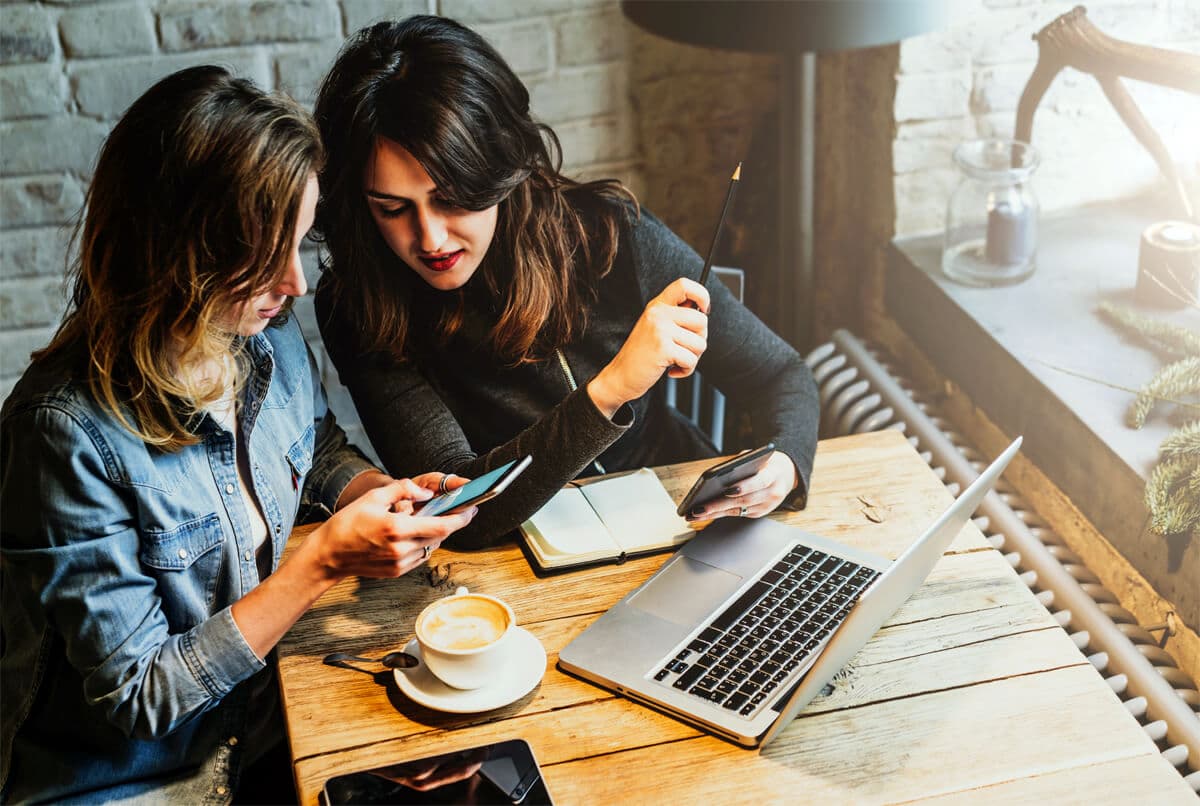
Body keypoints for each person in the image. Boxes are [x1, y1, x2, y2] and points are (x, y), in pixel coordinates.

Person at [0, 66, 476, 803]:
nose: (296, 285)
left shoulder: (265, 335)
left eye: (301, 243)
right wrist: (319, 562)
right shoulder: (62, 437)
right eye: (262, 258)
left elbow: (314, 448)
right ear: (174, 253)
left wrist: (378, 493)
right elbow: (139, 698)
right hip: (133, 780)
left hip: (267, 715)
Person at [313, 15, 820, 548]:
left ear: (500, 167)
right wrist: (611, 390)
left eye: (452, 198)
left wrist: (784, 464)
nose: (431, 238)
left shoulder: (609, 235)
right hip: (512, 560)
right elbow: (457, 509)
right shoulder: (358, 304)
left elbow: (782, 375)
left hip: (678, 524)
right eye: (393, 209)